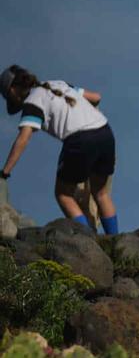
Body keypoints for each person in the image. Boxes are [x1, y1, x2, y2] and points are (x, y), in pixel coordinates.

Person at [1, 65, 119, 233]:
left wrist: (5, 173)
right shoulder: (58, 84)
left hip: (80, 140)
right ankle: (115, 242)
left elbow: (23, 138)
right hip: (105, 131)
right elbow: (96, 97)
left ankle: (89, 242)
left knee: (63, 195)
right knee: (100, 193)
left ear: (13, 90)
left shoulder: (32, 102)